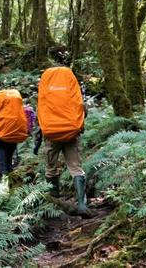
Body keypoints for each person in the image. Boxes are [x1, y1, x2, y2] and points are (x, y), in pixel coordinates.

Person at [34, 66, 90, 216]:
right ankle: (81, 204)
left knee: (51, 168)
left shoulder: (46, 85)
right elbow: (82, 108)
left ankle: (55, 203)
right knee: (76, 168)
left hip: (51, 136)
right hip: (72, 134)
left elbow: (40, 111)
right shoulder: (71, 84)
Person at [0, 102, 36, 180]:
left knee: (2, 160)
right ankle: (10, 178)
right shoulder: (18, 107)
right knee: (9, 159)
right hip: (13, 137)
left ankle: (3, 182)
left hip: (0, 138)